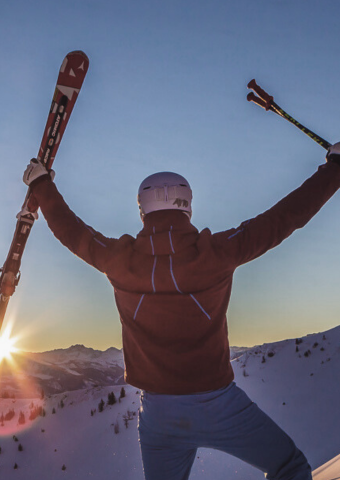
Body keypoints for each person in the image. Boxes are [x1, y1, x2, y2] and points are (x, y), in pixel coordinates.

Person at [22, 142, 340, 480]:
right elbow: (284, 218)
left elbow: (73, 232)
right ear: (187, 208)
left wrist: (41, 185)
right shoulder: (217, 252)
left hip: (159, 415)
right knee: (289, 467)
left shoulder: (119, 260)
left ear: (142, 211)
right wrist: (334, 169)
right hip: (221, 404)